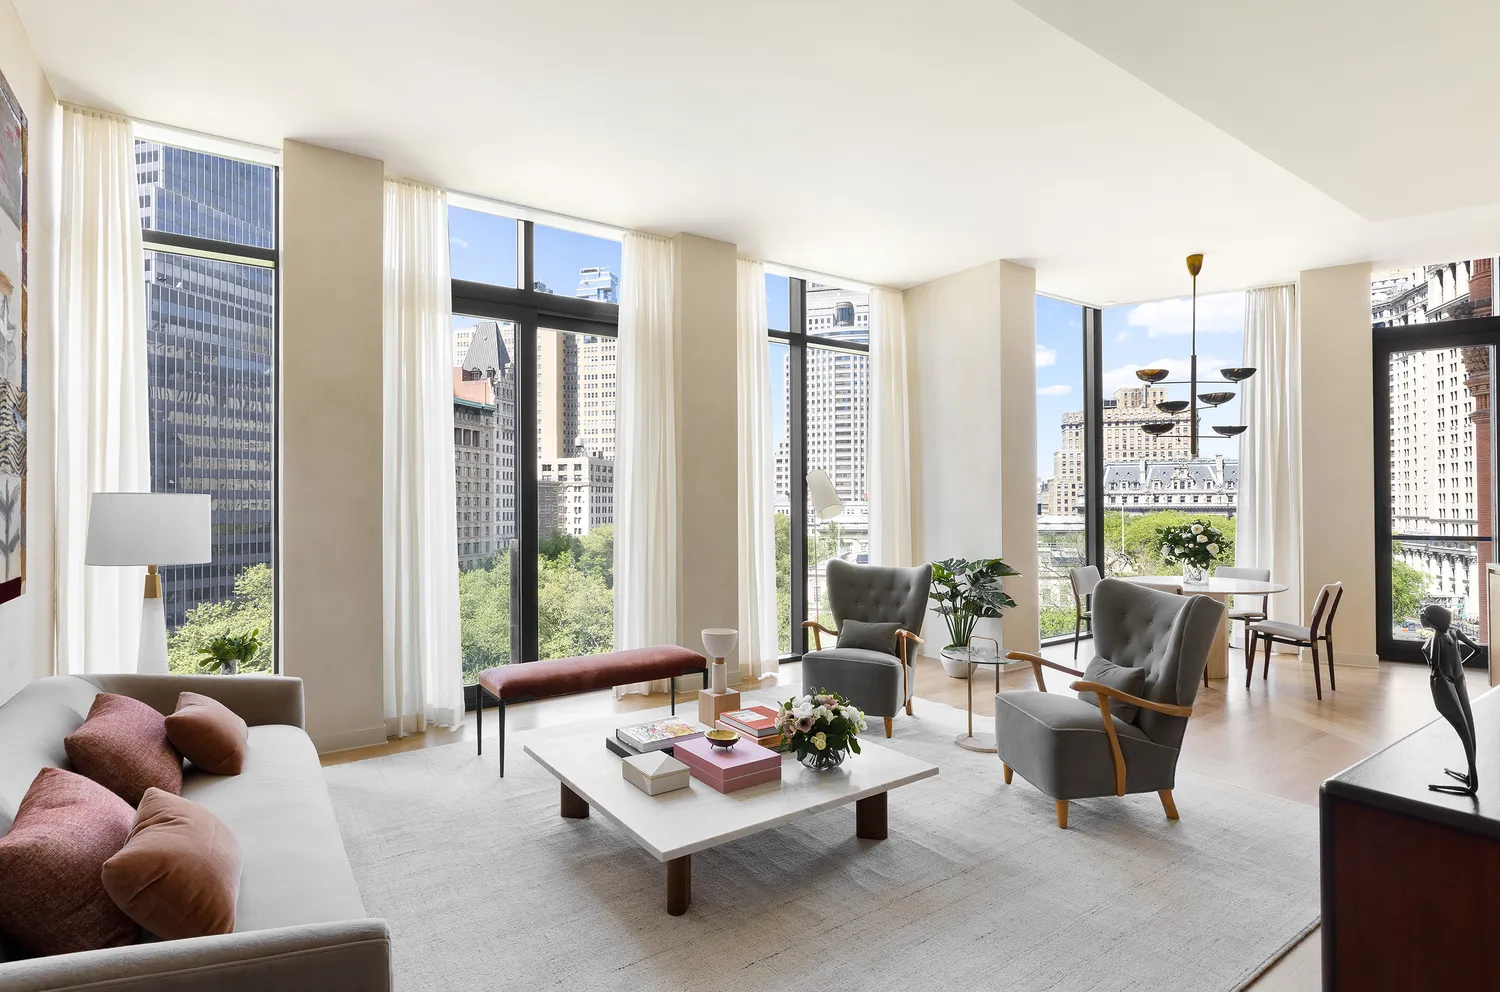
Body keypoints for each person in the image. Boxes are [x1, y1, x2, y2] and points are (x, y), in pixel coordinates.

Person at [1419, 604, 1479, 796]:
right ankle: (1472, 774)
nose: (1422, 619)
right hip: (1459, 677)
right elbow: (1477, 650)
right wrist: (1460, 665)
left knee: (1462, 727)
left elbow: (1434, 665)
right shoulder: (1454, 631)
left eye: (1424, 616)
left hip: (1444, 681)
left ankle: (1472, 784)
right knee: (1468, 726)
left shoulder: (1436, 638)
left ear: (1432, 620)